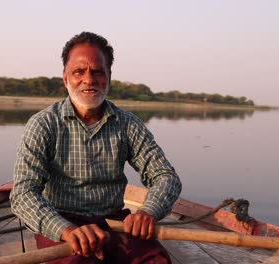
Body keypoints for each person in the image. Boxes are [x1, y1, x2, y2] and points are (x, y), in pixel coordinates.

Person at [10, 32, 182, 263]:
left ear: (109, 77)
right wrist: (68, 231)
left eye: (97, 72)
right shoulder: (43, 124)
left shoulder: (127, 123)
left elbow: (166, 177)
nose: (89, 80)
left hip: (114, 223)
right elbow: (23, 194)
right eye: (79, 72)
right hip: (63, 224)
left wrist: (146, 212)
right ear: (65, 78)